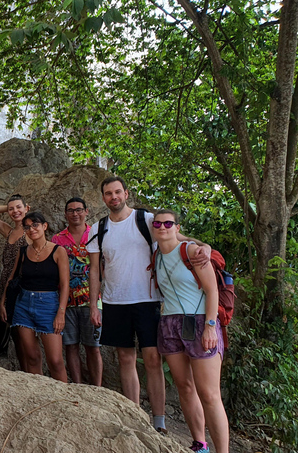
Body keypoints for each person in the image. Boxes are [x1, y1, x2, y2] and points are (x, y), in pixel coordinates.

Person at [87, 176, 210, 434]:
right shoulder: (98, 228)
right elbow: (95, 270)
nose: (114, 197)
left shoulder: (145, 219)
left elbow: (174, 236)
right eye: (108, 193)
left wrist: (201, 245)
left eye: (117, 192)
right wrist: (94, 305)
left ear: (126, 193)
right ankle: (133, 415)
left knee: (153, 359)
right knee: (124, 357)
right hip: (114, 300)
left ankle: (159, 421)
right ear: (103, 198)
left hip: (149, 299)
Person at [153, 209, 229, 453]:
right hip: (170, 323)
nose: (162, 227)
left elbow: (212, 290)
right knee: (184, 386)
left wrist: (209, 327)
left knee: (209, 394)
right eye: (157, 223)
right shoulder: (157, 255)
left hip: (199, 322)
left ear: (177, 227)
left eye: (168, 223)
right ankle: (200, 444)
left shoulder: (191, 251)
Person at [1, 212, 69, 381]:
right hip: (23, 304)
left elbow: (65, 284)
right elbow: (12, 278)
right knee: (31, 356)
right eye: (27, 227)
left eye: (35, 225)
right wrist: (3, 302)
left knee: (55, 360)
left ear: (44, 226)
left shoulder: (58, 251)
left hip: (49, 305)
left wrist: (61, 312)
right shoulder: (23, 251)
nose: (31, 230)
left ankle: (65, 400)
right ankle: (38, 396)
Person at [51, 197, 103, 386]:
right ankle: (78, 386)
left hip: (92, 300)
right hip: (66, 300)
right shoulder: (57, 239)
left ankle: (97, 388)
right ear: (65, 214)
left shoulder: (96, 235)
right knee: (70, 346)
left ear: (86, 212)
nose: (75, 213)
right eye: (71, 210)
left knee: (93, 347)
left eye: (79, 210)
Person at [0, 194, 30, 367]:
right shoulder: (10, 231)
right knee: (15, 334)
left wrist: (21, 208)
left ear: (27, 208)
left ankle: (30, 372)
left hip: (22, 287)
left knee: (24, 333)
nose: (14, 211)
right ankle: (24, 372)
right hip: (7, 286)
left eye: (19, 207)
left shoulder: (31, 231)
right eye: (11, 209)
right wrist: (10, 207)